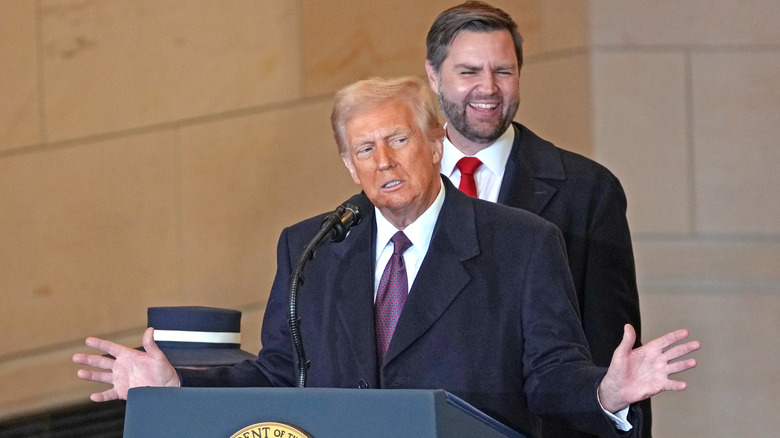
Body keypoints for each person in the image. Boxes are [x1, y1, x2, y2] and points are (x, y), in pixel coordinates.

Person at [73, 77, 699, 438]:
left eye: (398, 139)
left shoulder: (522, 242)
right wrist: (176, 388)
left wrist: (606, 392)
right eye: (364, 149)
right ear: (348, 164)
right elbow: (278, 372)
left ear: (434, 142)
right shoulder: (313, 245)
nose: (384, 162)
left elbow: (550, 371)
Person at [424, 2, 649, 436]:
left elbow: (613, 352)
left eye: (503, 72)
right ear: (434, 76)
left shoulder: (587, 191)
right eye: (469, 72)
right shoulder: (399, 185)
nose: (488, 88)